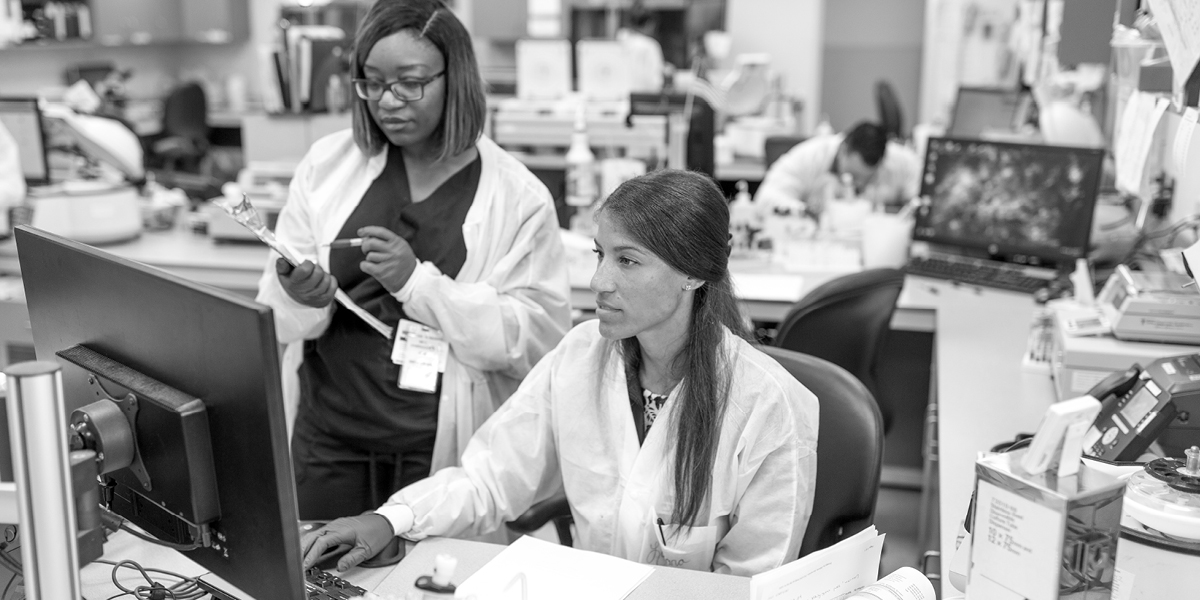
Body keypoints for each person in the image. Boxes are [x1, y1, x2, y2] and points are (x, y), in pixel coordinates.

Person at [300, 169, 819, 576]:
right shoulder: (579, 357)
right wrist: (391, 518)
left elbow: (753, 585)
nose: (597, 281)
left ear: (692, 274)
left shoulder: (768, 405)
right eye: (600, 255)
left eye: (628, 261)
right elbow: (490, 477)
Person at [255, 0, 572, 521]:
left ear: (456, 79)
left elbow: (534, 339)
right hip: (327, 438)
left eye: (410, 82)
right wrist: (299, 295)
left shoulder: (517, 197)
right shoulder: (327, 166)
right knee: (318, 578)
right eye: (372, 83)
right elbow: (277, 308)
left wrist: (419, 285)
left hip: (438, 451)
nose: (388, 101)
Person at [755, 121, 921, 218]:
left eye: (868, 178)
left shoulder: (901, 162)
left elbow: (922, 202)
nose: (858, 185)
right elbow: (766, 199)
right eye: (853, 175)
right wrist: (807, 212)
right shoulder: (810, 156)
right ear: (843, 149)